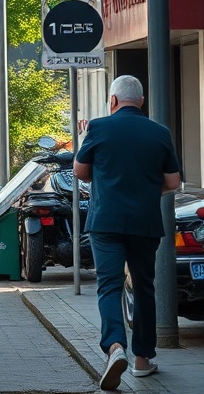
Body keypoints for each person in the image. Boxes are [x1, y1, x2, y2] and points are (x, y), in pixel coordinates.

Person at [73, 75, 181, 390]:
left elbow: (80, 171)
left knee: (109, 286)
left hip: (106, 222)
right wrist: (147, 190)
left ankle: (115, 347)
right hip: (145, 223)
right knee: (144, 288)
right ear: (141, 102)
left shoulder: (98, 127)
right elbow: (173, 182)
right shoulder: (160, 132)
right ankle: (143, 359)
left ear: (113, 100)